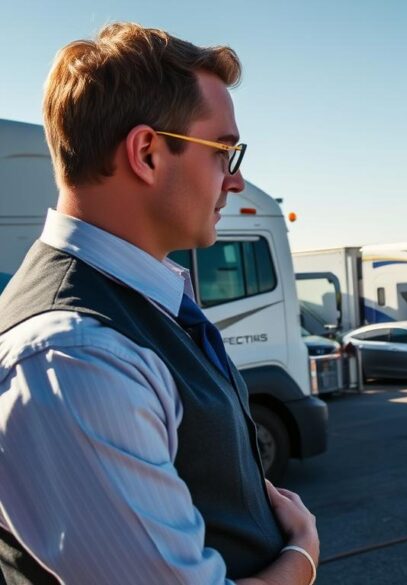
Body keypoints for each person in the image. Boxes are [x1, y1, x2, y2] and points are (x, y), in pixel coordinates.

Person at [0, 23, 319, 584]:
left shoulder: (130, 302)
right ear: (146, 153)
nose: (236, 181)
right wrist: (301, 556)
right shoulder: (73, 356)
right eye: (225, 152)